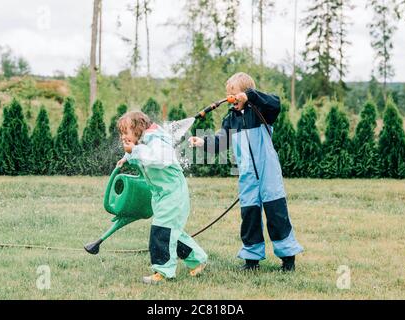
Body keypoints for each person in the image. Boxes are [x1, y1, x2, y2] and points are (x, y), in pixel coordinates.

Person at [189, 72, 303, 272]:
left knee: (277, 215)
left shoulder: (261, 112)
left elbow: (275, 102)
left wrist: (251, 96)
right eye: (228, 95)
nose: (230, 99)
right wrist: (202, 143)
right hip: (247, 175)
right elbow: (220, 142)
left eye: (234, 94)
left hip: (268, 173)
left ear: (245, 94)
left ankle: (288, 259)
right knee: (249, 217)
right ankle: (251, 260)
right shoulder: (230, 119)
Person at [117, 111, 207, 284]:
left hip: (173, 193)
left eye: (125, 132)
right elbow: (140, 152)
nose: (123, 136)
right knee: (172, 232)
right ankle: (198, 259)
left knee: (162, 231)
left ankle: (163, 272)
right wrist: (127, 157)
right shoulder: (144, 140)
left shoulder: (158, 140)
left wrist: (134, 150)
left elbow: (159, 159)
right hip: (161, 194)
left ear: (138, 128)